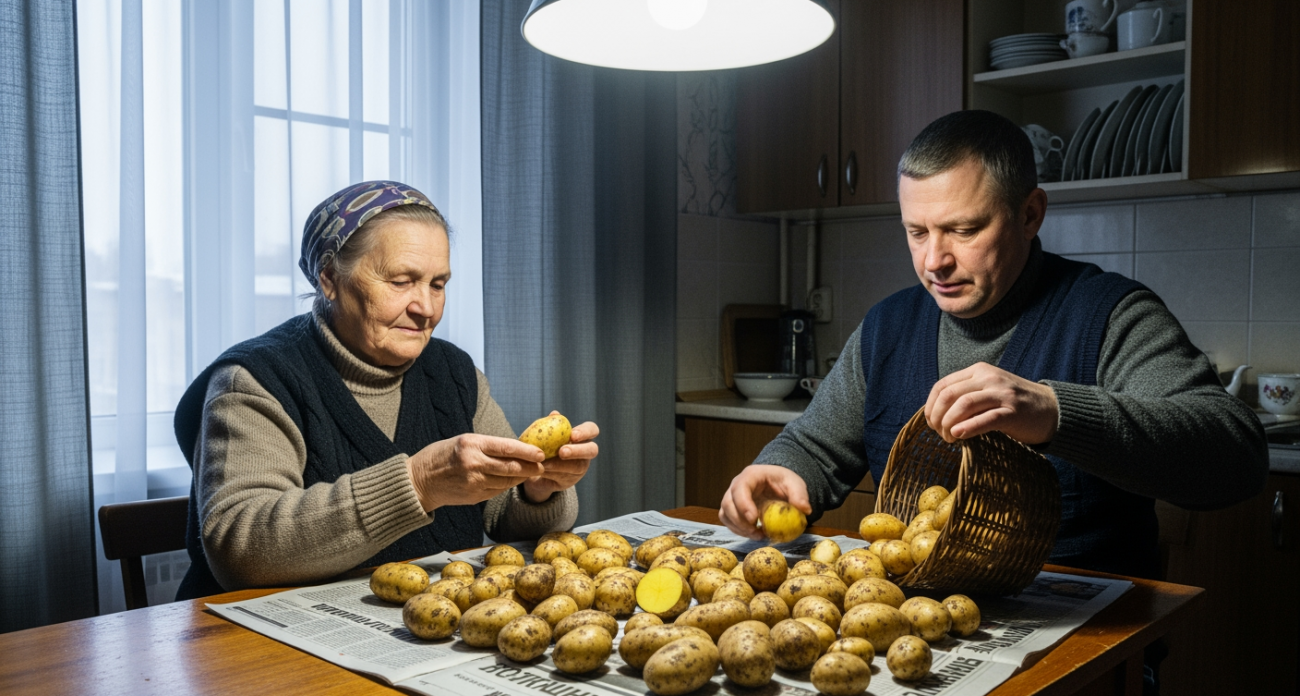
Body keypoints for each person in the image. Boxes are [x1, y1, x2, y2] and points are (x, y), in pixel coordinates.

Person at [719, 110, 1269, 582]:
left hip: (1084, 641)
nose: (934, 261)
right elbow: (813, 447)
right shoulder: (888, 326)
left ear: (1030, 214)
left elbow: (1236, 456)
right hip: (927, 629)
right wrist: (774, 474)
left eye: (963, 230)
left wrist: (1054, 412)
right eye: (917, 232)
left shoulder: (1111, 316)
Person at [173, 181, 599, 600]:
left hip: (424, 631)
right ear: (328, 279)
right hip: (259, 652)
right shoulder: (254, 381)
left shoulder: (453, 372)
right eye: (400, 281)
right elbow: (238, 548)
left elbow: (507, 516)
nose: (426, 309)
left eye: (437, 284)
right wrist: (418, 482)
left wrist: (538, 491)